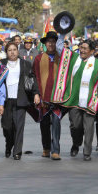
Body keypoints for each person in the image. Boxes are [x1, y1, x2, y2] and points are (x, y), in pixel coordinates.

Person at [51, 39, 98, 161]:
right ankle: (76, 143)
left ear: (92, 51)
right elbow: (59, 47)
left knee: (89, 127)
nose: (82, 50)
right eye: (81, 47)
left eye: (85, 48)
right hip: (73, 100)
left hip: (90, 100)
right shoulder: (73, 58)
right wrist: (63, 32)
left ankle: (87, 152)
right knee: (75, 126)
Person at [1, 42, 40, 160]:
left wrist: (36, 94)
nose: (12, 52)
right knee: (7, 127)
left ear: (18, 51)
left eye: (14, 50)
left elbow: (32, 79)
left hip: (21, 99)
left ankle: (17, 151)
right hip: (6, 99)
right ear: (6, 52)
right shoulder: (1, 64)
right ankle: (9, 144)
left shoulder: (25, 64)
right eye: (9, 50)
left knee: (19, 126)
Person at [33, 31, 65, 160]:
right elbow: (34, 77)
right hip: (43, 97)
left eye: (53, 41)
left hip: (58, 97)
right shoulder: (39, 59)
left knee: (56, 123)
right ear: (45, 43)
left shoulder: (62, 58)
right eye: (49, 41)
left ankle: (56, 150)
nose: (51, 44)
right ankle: (46, 147)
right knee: (44, 124)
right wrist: (36, 93)